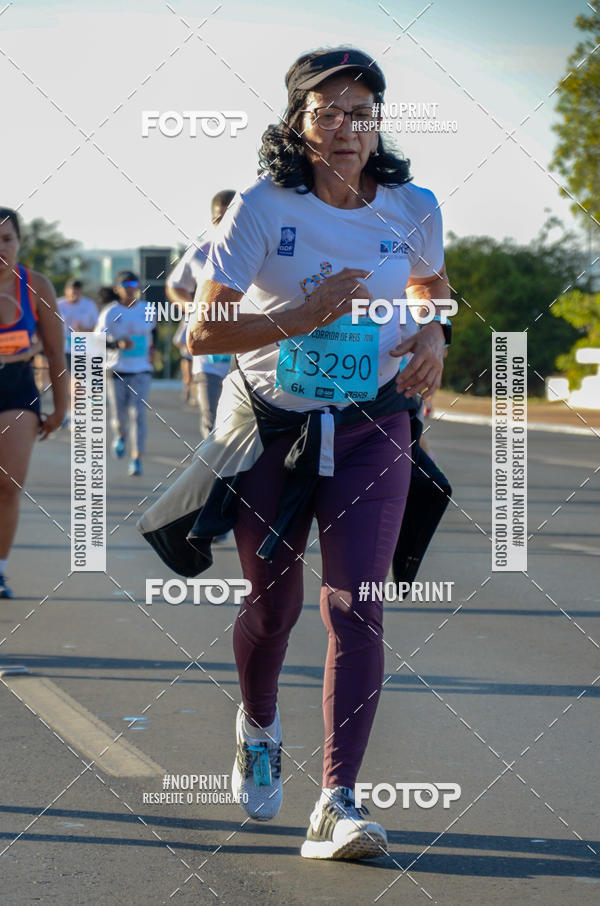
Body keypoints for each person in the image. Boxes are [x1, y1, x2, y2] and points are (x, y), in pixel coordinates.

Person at [187, 47, 451, 860]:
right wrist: (298, 317)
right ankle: (258, 724)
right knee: (274, 608)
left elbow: (430, 287)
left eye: (361, 111)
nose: (345, 127)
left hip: (376, 420)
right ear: (298, 122)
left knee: (356, 604)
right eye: (327, 111)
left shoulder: (415, 203)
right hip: (274, 426)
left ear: (378, 123)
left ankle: (336, 801)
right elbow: (202, 330)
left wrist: (435, 330)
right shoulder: (263, 206)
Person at [0, 207, 67, 598]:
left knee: (8, 485)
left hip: (17, 387)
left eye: (7, 239)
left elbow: (56, 354)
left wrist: (61, 409)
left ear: (19, 242)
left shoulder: (36, 285)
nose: (1, 248)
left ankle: (0, 570)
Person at [166, 190, 236, 438]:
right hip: (209, 358)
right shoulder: (201, 251)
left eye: (232, 216)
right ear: (213, 220)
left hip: (247, 355)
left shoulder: (261, 247)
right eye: (220, 218)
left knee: (243, 427)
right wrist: (193, 308)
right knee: (212, 422)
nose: (226, 223)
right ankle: (214, 476)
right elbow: (174, 286)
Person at [95, 270, 156, 477]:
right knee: (120, 416)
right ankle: (120, 434)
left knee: (138, 415)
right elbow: (97, 340)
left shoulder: (148, 309)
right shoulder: (110, 312)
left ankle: (136, 458)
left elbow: (152, 333)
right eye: (125, 284)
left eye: (133, 283)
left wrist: (152, 353)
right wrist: (117, 343)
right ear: (117, 289)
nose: (130, 288)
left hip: (142, 370)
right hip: (116, 370)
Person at [57, 278, 98, 427]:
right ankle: (68, 413)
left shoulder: (89, 305)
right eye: (72, 290)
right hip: (63, 348)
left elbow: (97, 327)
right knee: (66, 384)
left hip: (82, 347)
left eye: (78, 291)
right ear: (66, 290)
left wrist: (84, 329)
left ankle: (76, 415)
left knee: (77, 383)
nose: (75, 294)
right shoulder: (58, 304)